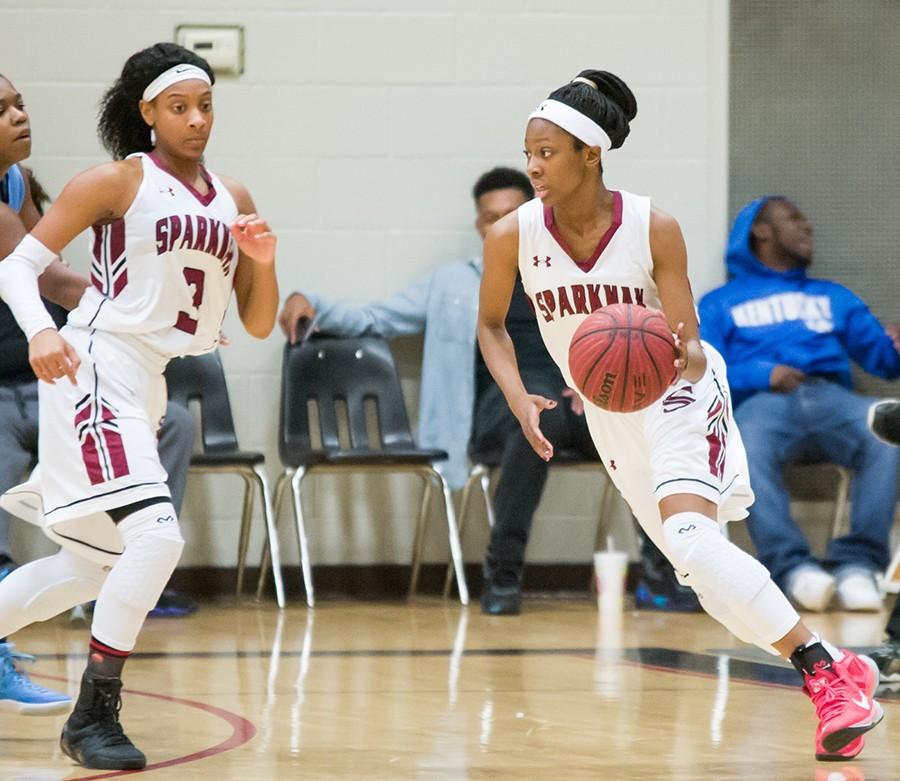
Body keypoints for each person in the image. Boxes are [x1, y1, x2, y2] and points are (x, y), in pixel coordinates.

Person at [477, 68, 883, 759]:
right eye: (529, 153)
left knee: (693, 541)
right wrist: (521, 398)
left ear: (589, 154)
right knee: (699, 573)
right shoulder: (512, 234)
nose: (534, 167)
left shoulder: (652, 226)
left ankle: (828, 673)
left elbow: (688, 346)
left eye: (547, 153)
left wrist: (668, 354)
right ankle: (838, 664)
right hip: (608, 413)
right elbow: (492, 326)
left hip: (676, 392)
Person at [0, 43, 278, 770]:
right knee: (156, 539)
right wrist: (38, 333)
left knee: (93, 567)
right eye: (179, 107)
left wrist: (265, 260)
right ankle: (95, 711)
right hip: (93, 365)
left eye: (205, 105)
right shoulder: (116, 181)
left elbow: (256, 321)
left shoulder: (233, 196)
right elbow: (17, 268)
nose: (196, 120)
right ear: (147, 112)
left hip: (147, 380)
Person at [280, 167, 688, 615]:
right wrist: (312, 302)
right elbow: (378, 317)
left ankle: (663, 576)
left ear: (535, 215)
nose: (502, 225)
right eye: (491, 218)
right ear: (480, 226)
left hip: (581, 402)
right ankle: (503, 573)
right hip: (501, 409)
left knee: (639, 424)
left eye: (512, 214)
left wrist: (598, 386)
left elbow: (628, 339)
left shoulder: (576, 272)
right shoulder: (453, 283)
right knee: (538, 418)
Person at [699, 198, 900, 612]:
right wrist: (760, 374)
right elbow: (703, 372)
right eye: (793, 218)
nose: (806, 227)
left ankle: (859, 567)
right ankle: (793, 569)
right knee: (743, 449)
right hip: (762, 404)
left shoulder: (833, 296)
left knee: (887, 431)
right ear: (761, 231)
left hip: (833, 397)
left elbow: (884, 362)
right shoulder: (719, 302)